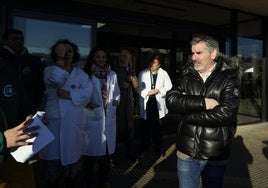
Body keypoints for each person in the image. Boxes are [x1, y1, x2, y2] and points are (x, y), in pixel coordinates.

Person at [166, 35, 240, 188]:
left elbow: (226, 114)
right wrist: (203, 102)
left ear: (213, 54)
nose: (194, 57)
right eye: (192, 53)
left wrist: (187, 112)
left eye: (199, 53)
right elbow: (171, 101)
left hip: (214, 153)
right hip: (186, 152)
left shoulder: (229, 77)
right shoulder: (187, 75)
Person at [36, 39, 93, 188]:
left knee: (72, 162)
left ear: (74, 54)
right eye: (62, 51)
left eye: (69, 51)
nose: (66, 54)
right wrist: (60, 60)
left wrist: (69, 94)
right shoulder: (49, 70)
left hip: (73, 121)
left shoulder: (81, 74)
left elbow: (88, 94)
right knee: (52, 163)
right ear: (56, 54)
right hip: (53, 121)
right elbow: (56, 80)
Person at [82, 47, 120, 188]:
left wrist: (116, 101)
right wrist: (87, 103)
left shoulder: (112, 75)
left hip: (108, 116)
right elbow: (81, 94)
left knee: (105, 155)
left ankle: (104, 180)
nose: (101, 59)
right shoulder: (86, 75)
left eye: (103, 57)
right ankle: (88, 180)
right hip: (92, 117)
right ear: (93, 58)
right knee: (90, 155)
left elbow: (116, 92)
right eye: (98, 57)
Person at [1, 29, 45, 115]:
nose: (19, 42)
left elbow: (40, 85)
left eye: (21, 39)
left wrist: (37, 105)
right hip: (6, 108)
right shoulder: (3, 60)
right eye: (14, 39)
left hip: (30, 108)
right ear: (5, 41)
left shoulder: (34, 61)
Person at [137, 55, 172, 156]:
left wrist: (158, 91)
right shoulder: (143, 73)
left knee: (158, 126)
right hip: (146, 101)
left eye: (155, 63)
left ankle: (158, 147)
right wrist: (146, 93)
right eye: (151, 62)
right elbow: (138, 87)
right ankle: (145, 146)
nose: (152, 64)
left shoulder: (163, 73)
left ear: (159, 64)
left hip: (158, 102)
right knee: (145, 125)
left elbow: (169, 86)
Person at [112, 48, 139, 162]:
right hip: (118, 106)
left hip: (129, 106)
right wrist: (122, 84)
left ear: (129, 58)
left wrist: (133, 80)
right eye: (121, 56)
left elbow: (137, 86)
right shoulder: (114, 70)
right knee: (116, 131)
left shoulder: (131, 70)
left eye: (125, 56)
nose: (123, 58)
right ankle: (113, 157)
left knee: (129, 131)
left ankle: (129, 153)